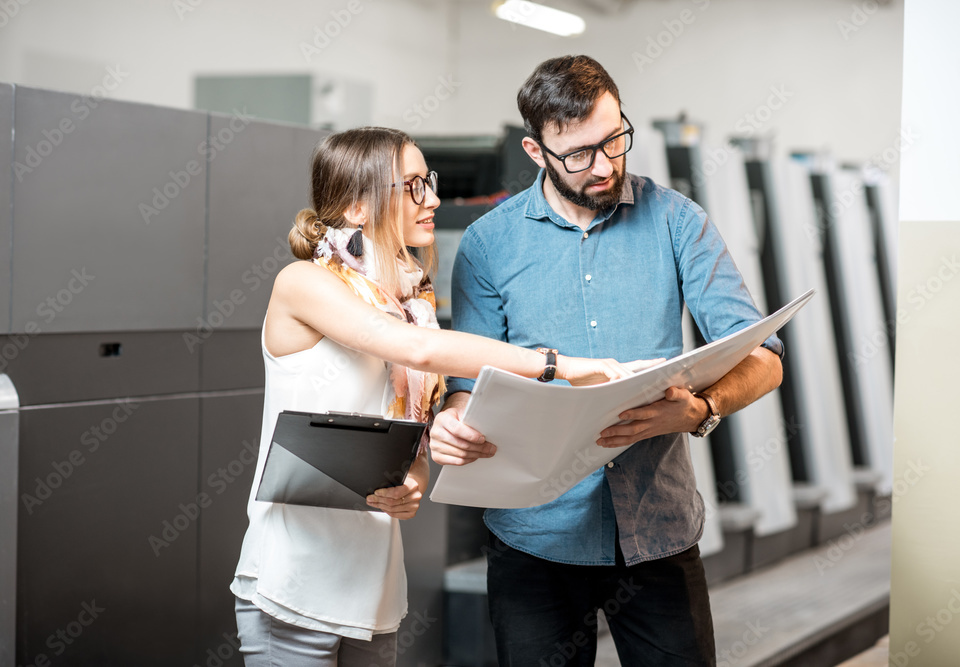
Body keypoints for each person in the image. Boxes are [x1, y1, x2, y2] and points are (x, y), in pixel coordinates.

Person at [230, 126, 637, 667]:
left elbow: (411, 449)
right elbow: (418, 349)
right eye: (414, 187)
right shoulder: (304, 284)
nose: (435, 201)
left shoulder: (411, 303)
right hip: (292, 584)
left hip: (371, 590)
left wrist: (410, 485)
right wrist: (555, 365)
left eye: (431, 182)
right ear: (355, 206)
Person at [429, 56, 785, 666]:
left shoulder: (677, 221)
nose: (604, 166)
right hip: (533, 538)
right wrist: (456, 423)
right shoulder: (488, 244)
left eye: (615, 140)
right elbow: (469, 383)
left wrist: (701, 408)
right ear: (536, 152)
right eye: (579, 154)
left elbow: (765, 357)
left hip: (658, 533)